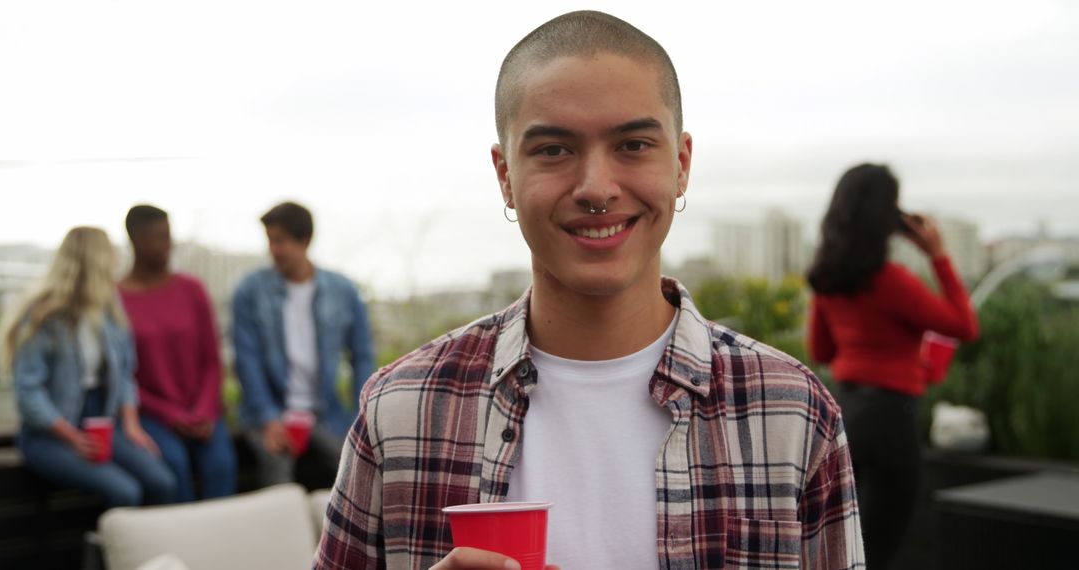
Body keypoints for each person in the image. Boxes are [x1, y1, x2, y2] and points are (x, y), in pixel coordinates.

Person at [315, 11, 863, 570]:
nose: (597, 188)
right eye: (554, 150)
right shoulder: (403, 410)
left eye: (633, 144)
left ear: (681, 165)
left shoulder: (789, 412)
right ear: (506, 176)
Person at [806, 164, 979, 569]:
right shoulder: (890, 280)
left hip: (846, 416)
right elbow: (964, 326)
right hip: (890, 421)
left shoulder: (828, 279)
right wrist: (938, 256)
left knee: (841, 545)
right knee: (885, 546)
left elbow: (822, 349)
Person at [6, 227, 177, 507]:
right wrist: (71, 437)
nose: (115, 259)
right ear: (96, 260)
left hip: (100, 422)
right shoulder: (43, 315)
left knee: (162, 482)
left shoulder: (108, 307)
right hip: (50, 433)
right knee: (125, 491)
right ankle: (109, 549)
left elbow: (124, 372)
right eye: (110, 253)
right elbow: (28, 392)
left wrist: (131, 425)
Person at [231, 201, 375, 487]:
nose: (274, 250)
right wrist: (268, 419)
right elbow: (247, 361)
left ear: (304, 240)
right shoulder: (249, 291)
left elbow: (362, 356)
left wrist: (361, 414)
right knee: (276, 472)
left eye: (280, 241)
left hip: (326, 414)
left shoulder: (343, 291)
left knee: (358, 470)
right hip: (270, 413)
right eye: (270, 241)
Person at [118, 205, 237, 502]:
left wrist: (206, 410)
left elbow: (211, 359)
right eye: (159, 237)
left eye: (169, 236)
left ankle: (221, 542)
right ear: (135, 239)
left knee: (221, 466)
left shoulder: (191, 289)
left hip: (202, 412)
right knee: (174, 466)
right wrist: (169, 415)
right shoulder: (116, 299)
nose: (167, 245)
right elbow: (122, 377)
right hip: (152, 415)